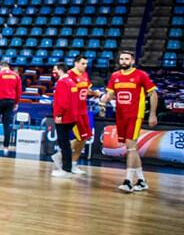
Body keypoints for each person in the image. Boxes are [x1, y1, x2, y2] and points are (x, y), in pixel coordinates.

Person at [98, 51, 158, 193]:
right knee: (132, 148)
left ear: (132, 61)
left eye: (127, 59)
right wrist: (102, 103)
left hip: (135, 115)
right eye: (121, 59)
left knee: (130, 147)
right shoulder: (115, 76)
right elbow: (110, 94)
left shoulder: (141, 75)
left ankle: (128, 181)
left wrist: (153, 114)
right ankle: (142, 181)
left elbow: (153, 94)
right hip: (121, 116)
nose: (124, 61)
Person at [67, 53, 97, 174]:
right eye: (83, 63)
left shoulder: (85, 75)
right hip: (73, 111)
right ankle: (62, 156)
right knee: (79, 137)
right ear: (76, 63)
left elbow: (86, 90)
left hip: (83, 110)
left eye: (86, 64)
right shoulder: (69, 75)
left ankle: (74, 163)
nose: (85, 66)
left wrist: (95, 93)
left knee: (85, 137)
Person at [50, 63, 79, 179]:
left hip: (64, 117)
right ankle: (67, 167)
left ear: (60, 70)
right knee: (66, 144)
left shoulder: (62, 82)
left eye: (55, 69)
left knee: (64, 144)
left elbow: (63, 102)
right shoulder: (71, 82)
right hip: (72, 116)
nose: (53, 72)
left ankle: (66, 169)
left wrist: (58, 114)